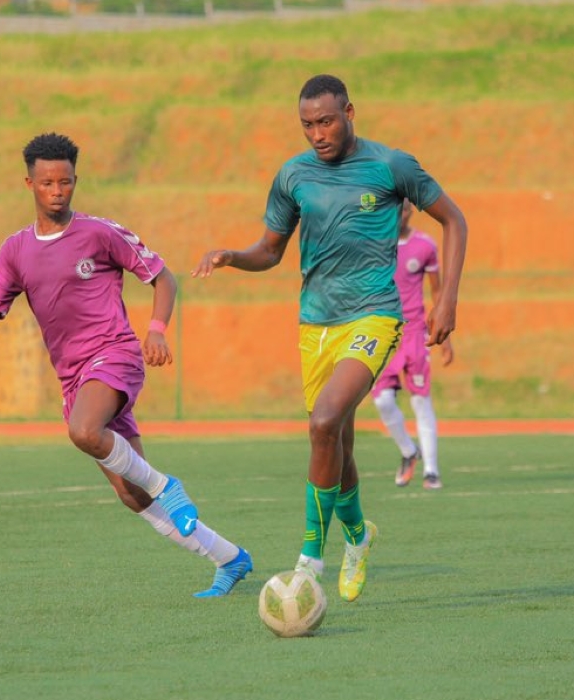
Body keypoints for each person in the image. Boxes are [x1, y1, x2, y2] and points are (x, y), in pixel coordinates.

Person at [0, 132, 252, 598]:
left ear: (76, 181)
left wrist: (155, 329)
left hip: (114, 356)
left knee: (84, 432)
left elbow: (163, 278)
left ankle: (170, 486)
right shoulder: (14, 250)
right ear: (29, 184)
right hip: (75, 378)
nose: (57, 191)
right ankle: (229, 558)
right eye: (47, 183)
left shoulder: (99, 233)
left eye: (66, 182)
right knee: (132, 495)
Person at [191, 75, 467, 603]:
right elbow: (271, 250)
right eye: (307, 125)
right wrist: (232, 256)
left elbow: (454, 220)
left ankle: (309, 562)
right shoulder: (293, 175)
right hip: (314, 324)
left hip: (375, 318)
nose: (317, 133)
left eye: (326, 121)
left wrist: (447, 298)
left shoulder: (391, 166)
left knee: (323, 422)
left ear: (349, 112)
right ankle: (359, 538)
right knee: (335, 440)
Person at [371, 198, 454, 490]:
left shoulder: (425, 245)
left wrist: (445, 338)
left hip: (416, 333)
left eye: (405, 208)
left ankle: (431, 470)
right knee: (381, 400)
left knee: (420, 399)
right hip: (383, 333)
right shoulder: (375, 244)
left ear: (410, 211)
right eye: (395, 209)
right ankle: (409, 451)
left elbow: (437, 292)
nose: (400, 214)